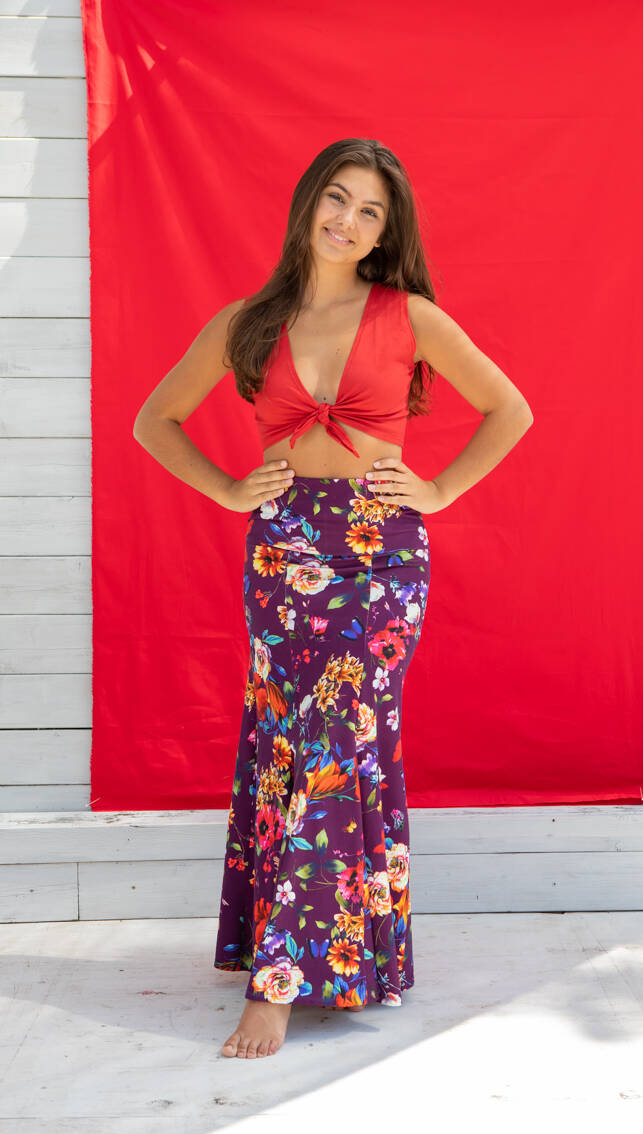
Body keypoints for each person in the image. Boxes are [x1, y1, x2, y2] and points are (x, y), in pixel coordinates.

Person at [133, 137, 534, 1060]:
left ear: (386, 233)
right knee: (292, 740)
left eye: (371, 211)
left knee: (340, 735)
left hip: (380, 558)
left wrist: (439, 490)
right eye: (338, 199)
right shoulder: (251, 320)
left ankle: (278, 986)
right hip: (283, 556)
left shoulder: (408, 315)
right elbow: (155, 418)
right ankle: (357, 958)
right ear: (309, 201)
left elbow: (509, 408)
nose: (349, 221)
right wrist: (229, 489)